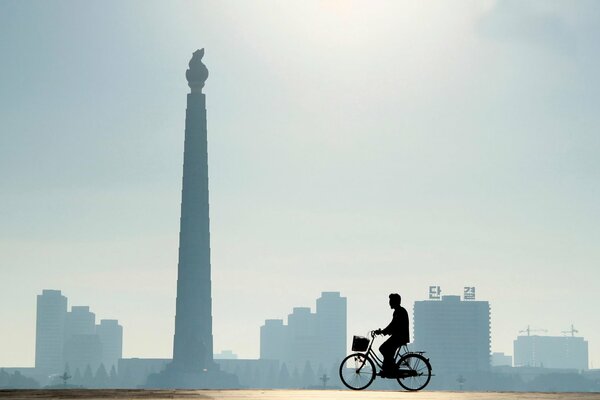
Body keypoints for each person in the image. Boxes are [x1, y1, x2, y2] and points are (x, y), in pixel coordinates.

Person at [375, 293, 409, 377]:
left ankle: (390, 368)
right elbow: (393, 325)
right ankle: (388, 368)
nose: (389, 303)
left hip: (399, 337)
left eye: (390, 301)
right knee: (387, 351)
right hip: (399, 337)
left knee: (383, 348)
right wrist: (384, 331)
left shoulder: (399, 311)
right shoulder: (398, 311)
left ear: (395, 301)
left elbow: (394, 325)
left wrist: (383, 331)